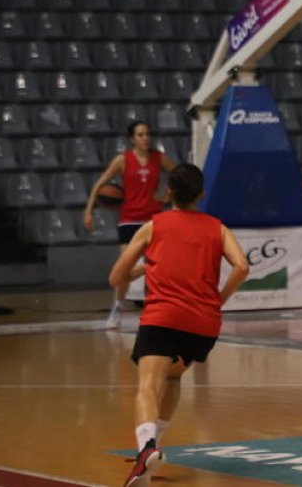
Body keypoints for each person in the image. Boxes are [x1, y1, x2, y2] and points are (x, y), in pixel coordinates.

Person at [109, 164, 249, 487]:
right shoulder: (217, 227)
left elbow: (116, 277)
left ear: (168, 191)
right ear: (201, 194)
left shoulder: (152, 226)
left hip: (164, 317)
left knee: (147, 385)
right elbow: (241, 266)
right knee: (172, 376)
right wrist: (218, 299)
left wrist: (144, 268)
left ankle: (146, 449)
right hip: (203, 323)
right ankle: (155, 443)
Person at [84, 120, 176, 329]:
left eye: (148, 134)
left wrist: (166, 196)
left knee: (159, 268)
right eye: (141, 135)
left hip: (153, 219)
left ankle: (156, 311)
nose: (146, 138)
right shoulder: (122, 159)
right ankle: (118, 306)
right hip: (129, 219)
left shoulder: (158, 158)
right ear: (132, 139)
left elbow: (179, 173)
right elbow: (100, 184)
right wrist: (89, 210)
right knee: (126, 267)